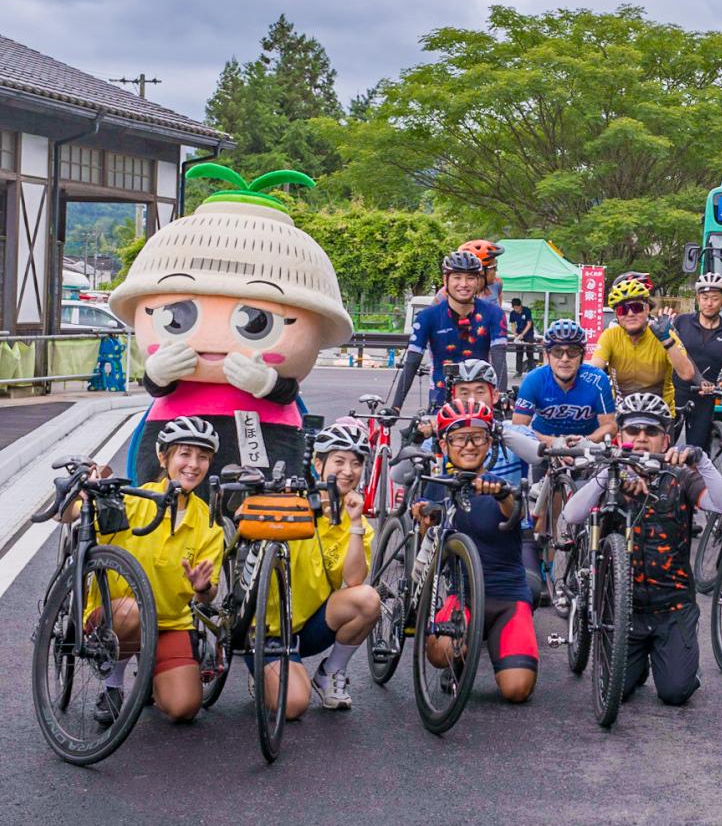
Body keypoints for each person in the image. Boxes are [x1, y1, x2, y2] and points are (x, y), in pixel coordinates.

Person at [111, 167, 354, 486]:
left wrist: (268, 383)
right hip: (174, 430)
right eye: (177, 317)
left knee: (263, 515)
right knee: (164, 509)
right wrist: (158, 373)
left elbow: (287, 392)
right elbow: (157, 387)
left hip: (267, 431)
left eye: (258, 323)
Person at [563, 393, 722, 705]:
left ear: (665, 440)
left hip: (673, 608)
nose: (642, 438)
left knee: (675, 693)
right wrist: (612, 469)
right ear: (620, 436)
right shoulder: (609, 475)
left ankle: (676, 658)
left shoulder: (679, 477)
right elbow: (572, 515)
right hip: (624, 611)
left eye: (652, 432)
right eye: (633, 431)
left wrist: (701, 460)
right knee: (620, 690)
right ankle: (640, 662)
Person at [76, 416, 224, 726]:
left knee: (184, 708)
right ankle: (113, 686)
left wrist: (202, 587)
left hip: (170, 622)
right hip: (117, 616)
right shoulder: (131, 500)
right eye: (184, 454)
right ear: (163, 457)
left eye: (203, 457)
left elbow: (210, 594)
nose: (193, 465)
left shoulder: (209, 522)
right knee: (132, 612)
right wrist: (84, 493)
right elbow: (67, 516)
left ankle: (150, 673)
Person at [411, 400, 537, 702]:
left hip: (508, 600)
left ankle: (494, 649)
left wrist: (503, 494)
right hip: (462, 598)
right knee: (440, 652)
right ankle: (459, 656)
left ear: (489, 442)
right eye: (458, 437)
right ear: (444, 443)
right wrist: (425, 526)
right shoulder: (435, 487)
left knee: (516, 690)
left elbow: (514, 514)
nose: (469, 445)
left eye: (477, 437)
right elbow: (432, 559)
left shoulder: (502, 486)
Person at [269, 421, 381, 715]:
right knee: (293, 706)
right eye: (339, 461)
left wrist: (355, 523)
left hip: (309, 627)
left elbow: (355, 580)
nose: (348, 471)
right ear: (318, 463)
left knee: (368, 599)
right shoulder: (290, 501)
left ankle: (330, 672)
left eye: (356, 463)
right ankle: (267, 671)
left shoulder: (357, 520)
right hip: (268, 629)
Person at [391, 250, 509, 411]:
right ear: (445, 280)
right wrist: (395, 407)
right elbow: (412, 362)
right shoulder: (427, 317)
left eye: (470, 278)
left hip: (481, 402)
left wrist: (500, 397)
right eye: (457, 277)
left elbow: (499, 359)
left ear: (478, 282)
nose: (464, 284)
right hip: (440, 401)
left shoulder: (494, 314)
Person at [590, 274, 698, 418]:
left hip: (660, 415)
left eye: (636, 307)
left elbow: (687, 374)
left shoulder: (664, 334)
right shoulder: (610, 335)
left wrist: (666, 340)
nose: (630, 314)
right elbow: (594, 370)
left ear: (647, 309)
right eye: (623, 310)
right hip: (623, 413)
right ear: (617, 315)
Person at [670, 271, 722, 453]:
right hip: (675, 393)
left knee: (697, 452)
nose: (709, 303)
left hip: (705, 397)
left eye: (715, 299)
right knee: (664, 447)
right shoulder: (682, 322)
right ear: (698, 298)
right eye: (704, 298)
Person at [512, 320, 617, 445]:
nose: (565, 359)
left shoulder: (598, 380)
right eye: (557, 351)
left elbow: (610, 426)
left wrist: (586, 441)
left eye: (572, 352)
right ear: (546, 355)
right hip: (543, 447)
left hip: (586, 448)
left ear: (582, 356)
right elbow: (517, 429)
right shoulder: (533, 379)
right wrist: (553, 442)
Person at [508, 298, 537, 376]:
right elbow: (513, 324)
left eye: (517, 308)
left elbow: (529, 324)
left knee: (530, 352)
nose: (516, 310)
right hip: (519, 333)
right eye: (514, 308)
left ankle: (532, 371)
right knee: (519, 353)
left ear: (520, 306)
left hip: (528, 333)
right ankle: (519, 371)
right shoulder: (512, 313)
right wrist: (515, 333)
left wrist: (523, 334)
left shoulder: (526, 311)